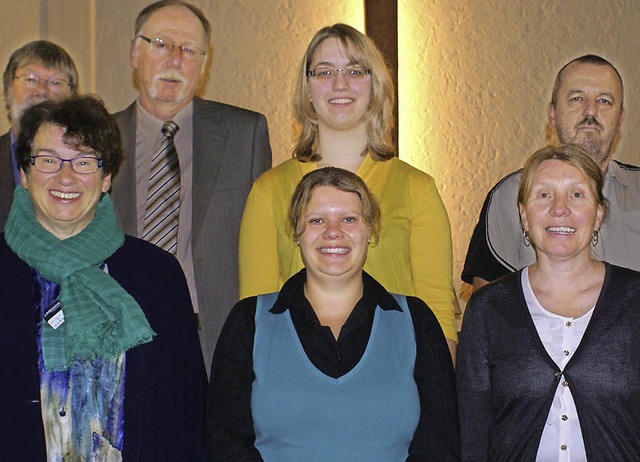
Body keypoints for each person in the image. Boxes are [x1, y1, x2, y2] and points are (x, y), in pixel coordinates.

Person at [1, 95, 207, 460]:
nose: (66, 176)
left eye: (84, 161)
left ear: (107, 176)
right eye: (48, 160)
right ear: (23, 172)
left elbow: (187, 413)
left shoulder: (157, 276)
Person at [207, 167, 459, 461]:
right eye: (316, 220)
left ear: (371, 230)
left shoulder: (417, 322)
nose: (333, 231)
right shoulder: (248, 322)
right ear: (296, 233)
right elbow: (224, 442)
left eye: (349, 219)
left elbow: (441, 444)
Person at [239, 23, 458, 358]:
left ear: (376, 86)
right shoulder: (268, 190)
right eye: (324, 71)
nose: (340, 83)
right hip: (295, 377)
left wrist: (439, 394)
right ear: (307, 89)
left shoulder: (417, 188)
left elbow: (437, 310)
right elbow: (256, 316)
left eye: (355, 70)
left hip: (396, 374)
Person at [110, 0, 272, 372]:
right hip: (120, 336)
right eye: (162, 44)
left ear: (204, 63)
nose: (175, 60)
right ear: (136, 52)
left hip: (217, 341)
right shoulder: (99, 138)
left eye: (189, 50)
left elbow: (264, 244)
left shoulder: (245, 134)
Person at [457, 144, 640, 460]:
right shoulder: (487, 309)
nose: (560, 208)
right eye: (544, 195)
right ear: (524, 216)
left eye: (577, 195)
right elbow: (472, 436)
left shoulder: (635, 300)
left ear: (598, 215)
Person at [463, 54, 640, 291]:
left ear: (620, 118)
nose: (591, 111)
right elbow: (489, 314)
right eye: (577, 98)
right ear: (552, 114)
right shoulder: (508, 196)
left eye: (605, 101)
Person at [0, 40, 78, 230]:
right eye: (30, 79)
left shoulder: (90, 165)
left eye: (55, 82)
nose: (41, 91)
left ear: (73, 97)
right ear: (6, 92)